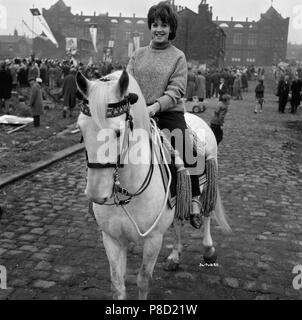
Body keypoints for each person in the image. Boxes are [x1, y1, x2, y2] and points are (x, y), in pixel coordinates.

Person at [127, 1, 203, 229]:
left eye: (164, 25)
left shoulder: (178, 57)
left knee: (185, 145)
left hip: (168, 113)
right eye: (155, 24)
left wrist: (155, 107)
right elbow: (127, 82)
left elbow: (176, 90)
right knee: (110, 144)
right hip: (139, 112)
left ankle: (194, 199)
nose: (159, 29)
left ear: (171, 29)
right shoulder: (138, 54)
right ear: (150, 26)